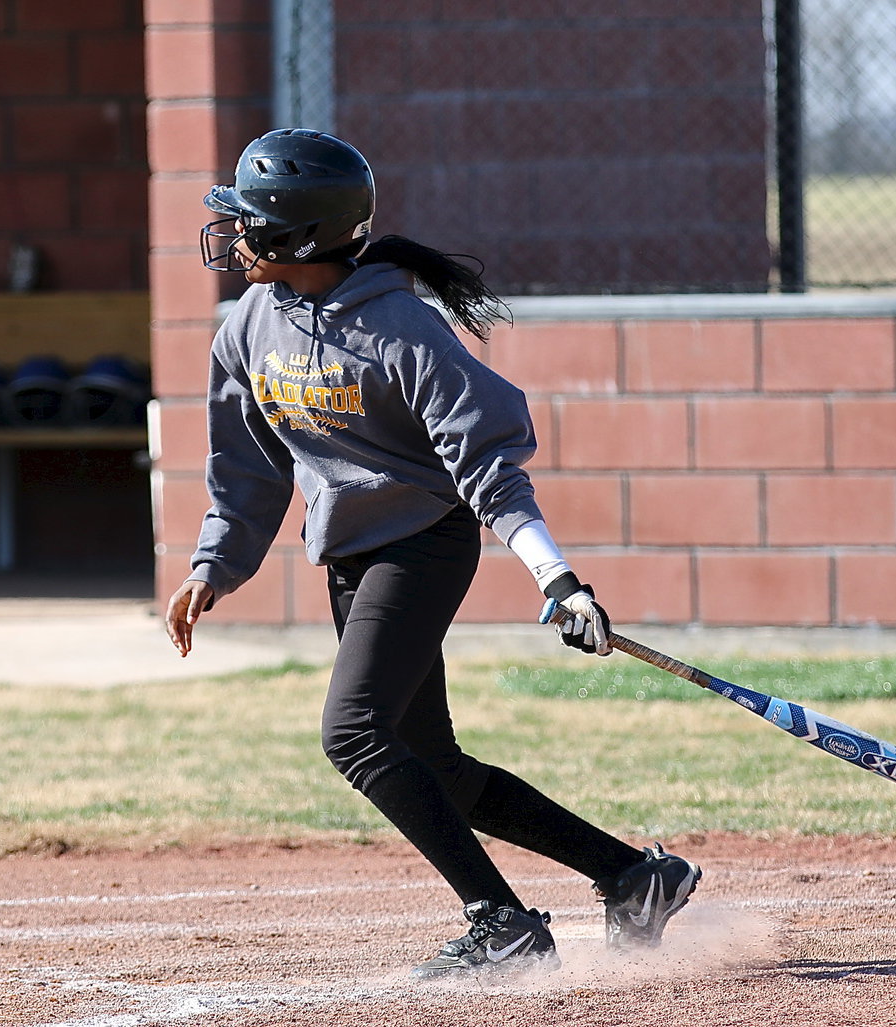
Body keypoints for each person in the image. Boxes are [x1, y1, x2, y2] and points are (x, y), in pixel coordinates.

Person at [164, 128, 701, 979]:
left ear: (299, 238)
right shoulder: (250, 325)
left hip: (420, 546)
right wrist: (213, 566)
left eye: (250, 221)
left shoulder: (403, 330)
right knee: (434, 767)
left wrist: (561, 581)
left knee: (354, 734)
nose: (233, 236)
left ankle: (502, 921)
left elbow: (489, 467)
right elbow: (247, 471)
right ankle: (635, 877)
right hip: (351, 557)